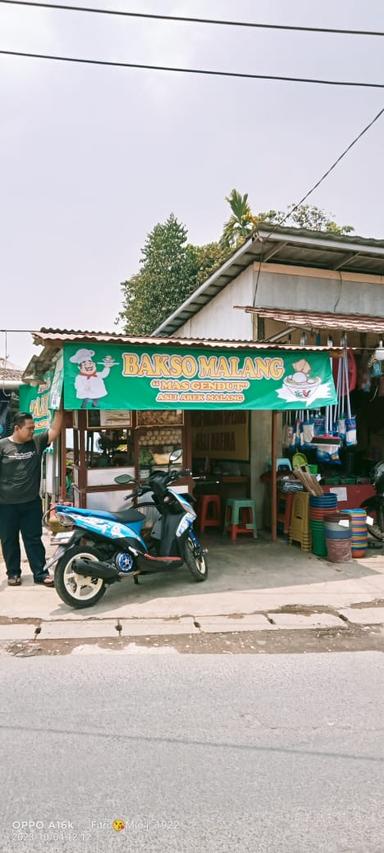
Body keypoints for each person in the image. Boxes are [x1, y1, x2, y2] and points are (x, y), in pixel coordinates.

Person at [0, 411, 63, 587]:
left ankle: (40, 573)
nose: (32, 432)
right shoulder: (2, 446)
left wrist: (60, 409)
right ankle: (13, 573)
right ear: (17, 428)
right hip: (6, 505)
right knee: (9, 539)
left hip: (31, 503)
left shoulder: (36, 442)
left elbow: (55, 430)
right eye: (29, 428)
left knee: (34, 539)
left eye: (34, 428)